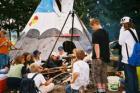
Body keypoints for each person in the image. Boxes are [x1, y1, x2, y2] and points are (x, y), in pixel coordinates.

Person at [119, 16, 139, 93]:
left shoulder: (126, 32)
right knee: (134, 76)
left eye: (122, 24)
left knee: (129, 77)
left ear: (124, 24)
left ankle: (130, 91)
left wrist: (121, 30)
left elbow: (120, 42)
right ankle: (135, 91)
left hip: (128, 59)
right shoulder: (133, 30)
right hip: (134, 57)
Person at [90, 18, 110, 93]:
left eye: (92, 26)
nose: (92, 28)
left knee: (96, 74)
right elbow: (107, 45)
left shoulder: (95, 33)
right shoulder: (106, 32)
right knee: (103, 73)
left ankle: (99, 90)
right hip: (105, 57)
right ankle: (104, 89)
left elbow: (97, 46)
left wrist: (98, 57)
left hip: (98, 57)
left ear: (95, 24)